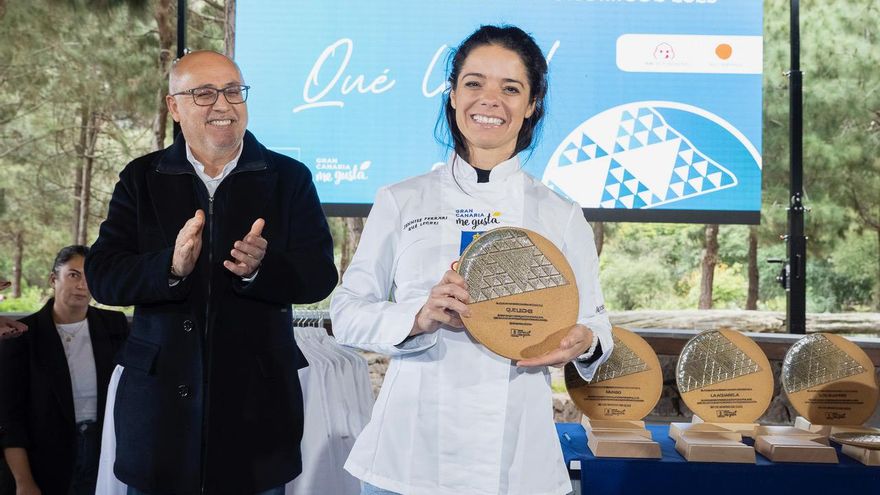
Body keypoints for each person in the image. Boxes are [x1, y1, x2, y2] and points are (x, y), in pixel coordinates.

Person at [330, 25, 613, 495]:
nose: (490, 100)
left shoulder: (559, 215)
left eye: (511, 88)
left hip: (516, 460)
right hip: (408, 457)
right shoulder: (402, 199)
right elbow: (346, 313)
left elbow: (597, 327)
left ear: (532, 104)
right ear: (453, 93)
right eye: (474, 83)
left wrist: (582, 340)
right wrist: (417, 317)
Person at [84, 51, 338, 495]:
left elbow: (319, 276)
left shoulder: (288, 177)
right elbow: (104, 277)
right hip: (159, 417)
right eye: (203, 93)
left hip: (257, 416)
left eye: (233, 91)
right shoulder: (141, 178)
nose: (223, 104)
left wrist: (262, 268)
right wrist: (170, 265)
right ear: (174, 107)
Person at [0, 246, 129, 495]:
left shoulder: (114, 325)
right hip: (45, 455)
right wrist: (23, 481)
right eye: (73, 274)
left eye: (89, 275)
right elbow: (9, 416)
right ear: (52, 279)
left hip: (104, 449)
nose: (82, 285)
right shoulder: (22, 332)